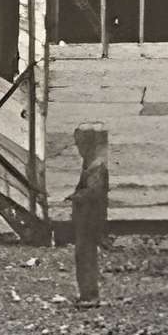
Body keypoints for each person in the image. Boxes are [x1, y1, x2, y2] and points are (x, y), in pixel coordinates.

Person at [69, 125, 111, 306]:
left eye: (80, 144)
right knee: (84, 254)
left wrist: (75, 196)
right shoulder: (93, 163)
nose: (78, 148)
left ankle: (90, 295)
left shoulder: (96, 166)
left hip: (89, 218)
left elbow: (93, 192)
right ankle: (87, 293)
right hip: (88, 217)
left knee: (85, 254)